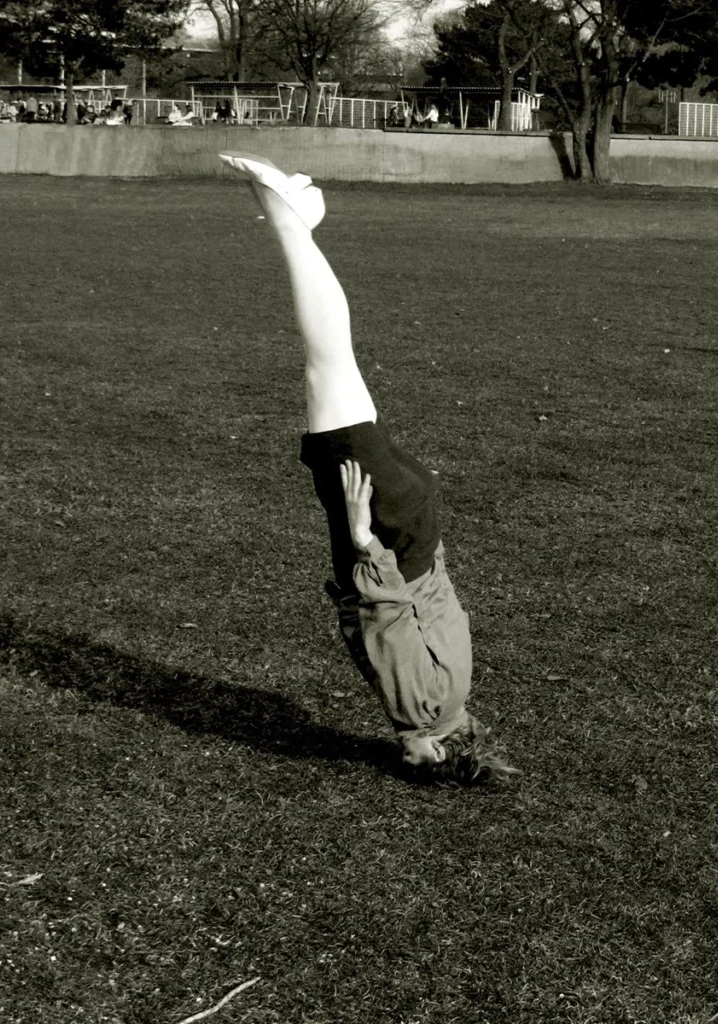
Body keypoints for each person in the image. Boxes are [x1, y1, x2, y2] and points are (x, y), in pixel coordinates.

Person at [218, 152, 517, 786]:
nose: (403, 755)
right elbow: (391, 622)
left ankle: (293, 213)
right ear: (440, 750)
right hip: (382, 528)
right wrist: (363, 538)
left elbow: (434, 608)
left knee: (334, 367)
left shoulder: (459, 692)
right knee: (325, 363)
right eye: (415, 763)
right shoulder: (423, 710)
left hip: (415, 522)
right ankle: (289, 216)